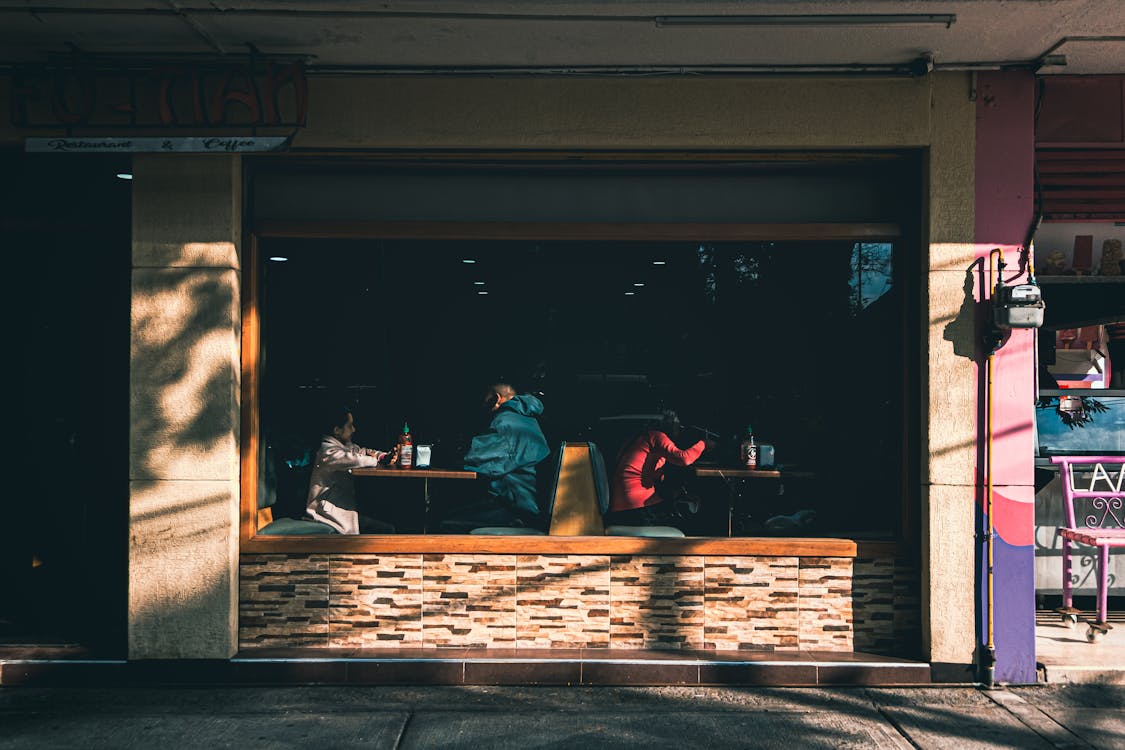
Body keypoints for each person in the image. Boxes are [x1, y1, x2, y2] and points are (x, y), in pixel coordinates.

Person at [446, 383, 550, 531]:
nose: (482, 405)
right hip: (526, 502)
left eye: (484, 400)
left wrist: (451, 457)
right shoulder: (526, 419)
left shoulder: (506, 423)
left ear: (496, 399)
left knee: (445, 520)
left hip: (517, 508)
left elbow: (476, 460)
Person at [606, 410, 714, 527]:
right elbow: (684, 459)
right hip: (638, 507)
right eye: (678, 426)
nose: (679, 430)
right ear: (671, 425)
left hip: (619, 507)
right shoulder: (657, 436)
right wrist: (704, 444)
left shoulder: (636, 439)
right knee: (684, 522)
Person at [305, 408, 396, 534]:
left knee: (386, 526)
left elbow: (362, 452)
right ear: (337, 430)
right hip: (326, 514)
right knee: (386, 530)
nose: (354, 429)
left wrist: (383, 456)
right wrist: (375, 461)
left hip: (341, 512)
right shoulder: (327, 451)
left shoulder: (345, 446)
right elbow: (353, 458)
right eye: (350, 426)